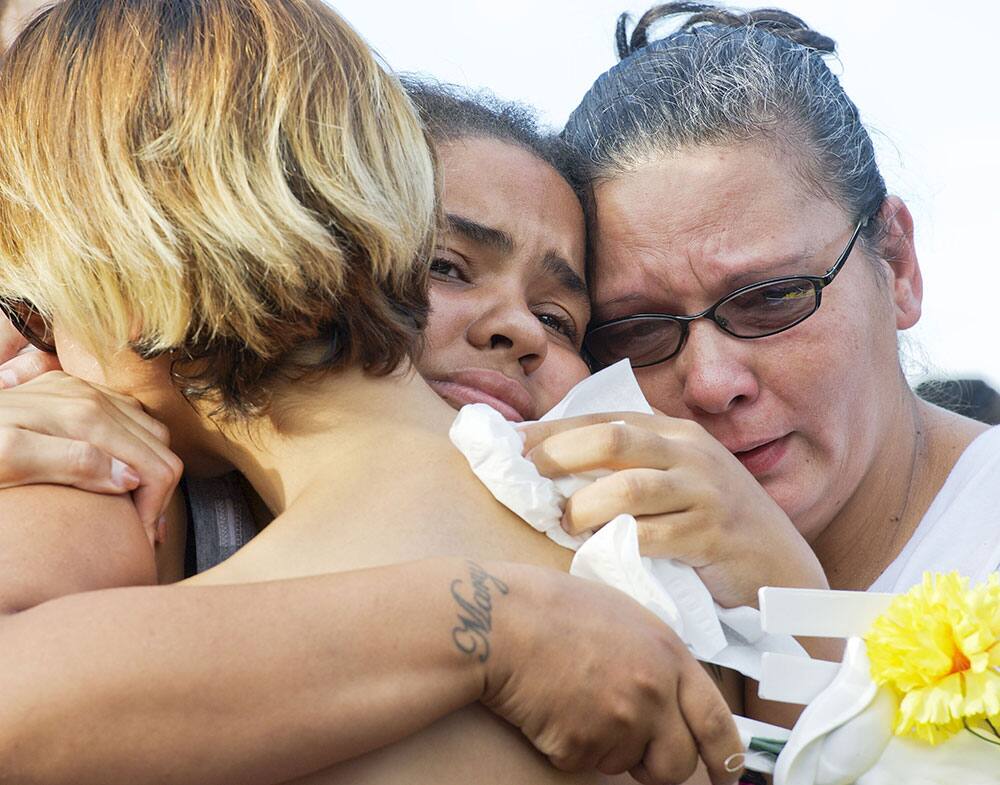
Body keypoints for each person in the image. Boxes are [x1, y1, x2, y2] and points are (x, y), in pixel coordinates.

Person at [0, 3, 741, 784]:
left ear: (128, 259)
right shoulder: (665, 577)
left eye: (33, 308)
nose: (38, 354)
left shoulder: (167, 679)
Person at [532, 2, 999, 727]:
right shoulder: (586, 577)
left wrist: (794, 610)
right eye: (638, 331)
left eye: (773, 297)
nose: (714, 382)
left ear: (899, 266)